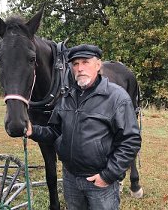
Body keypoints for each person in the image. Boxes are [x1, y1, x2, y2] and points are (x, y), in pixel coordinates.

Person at [26, 44, 141, 210]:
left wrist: (108, 176)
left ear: (98, 65)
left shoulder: (117, 97)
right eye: (75, 64)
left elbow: (131, 140)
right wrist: (33, 130)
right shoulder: (66, 97)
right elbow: (55, 132)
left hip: (100, 182)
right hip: (71, 180)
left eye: (85, 62)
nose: (80, 68)